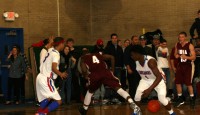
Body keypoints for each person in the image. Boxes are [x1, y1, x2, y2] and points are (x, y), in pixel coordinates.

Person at [130, 45, 176, 115]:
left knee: (162, 99)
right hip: (145, 80)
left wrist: (149, 89)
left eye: (132, 55)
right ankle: (136, 112)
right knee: (137, 95)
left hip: (158, 79)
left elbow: (159, 77)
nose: (131, 57)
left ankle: (172, 113)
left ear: (138, 53)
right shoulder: (136, 62)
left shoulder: (150, 62)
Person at [35, 37, 67, 115]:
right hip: (46, 78)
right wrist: (61, 74)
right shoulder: (56, 54)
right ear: (61, 44)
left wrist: (51, 42)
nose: (64, 45)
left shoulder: (50, 50)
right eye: (63, 44)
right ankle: (42, 113)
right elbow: (53, 68)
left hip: (40, 77)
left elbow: (49, 46)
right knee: (59, 101)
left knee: (48, 98)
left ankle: (38, 113)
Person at [174, 32, 196, 108]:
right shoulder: (177, 44)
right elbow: (175, 54)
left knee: (188, 83)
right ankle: (180, 98)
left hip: (188, 66)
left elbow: (194, 57)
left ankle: (192, 98)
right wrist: (177, 56)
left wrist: (186, 57)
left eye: (182, 37)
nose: (181, 38)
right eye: (179, 37)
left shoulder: (190, 45)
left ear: (185, 37)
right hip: (180, 66)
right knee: (177, 82)